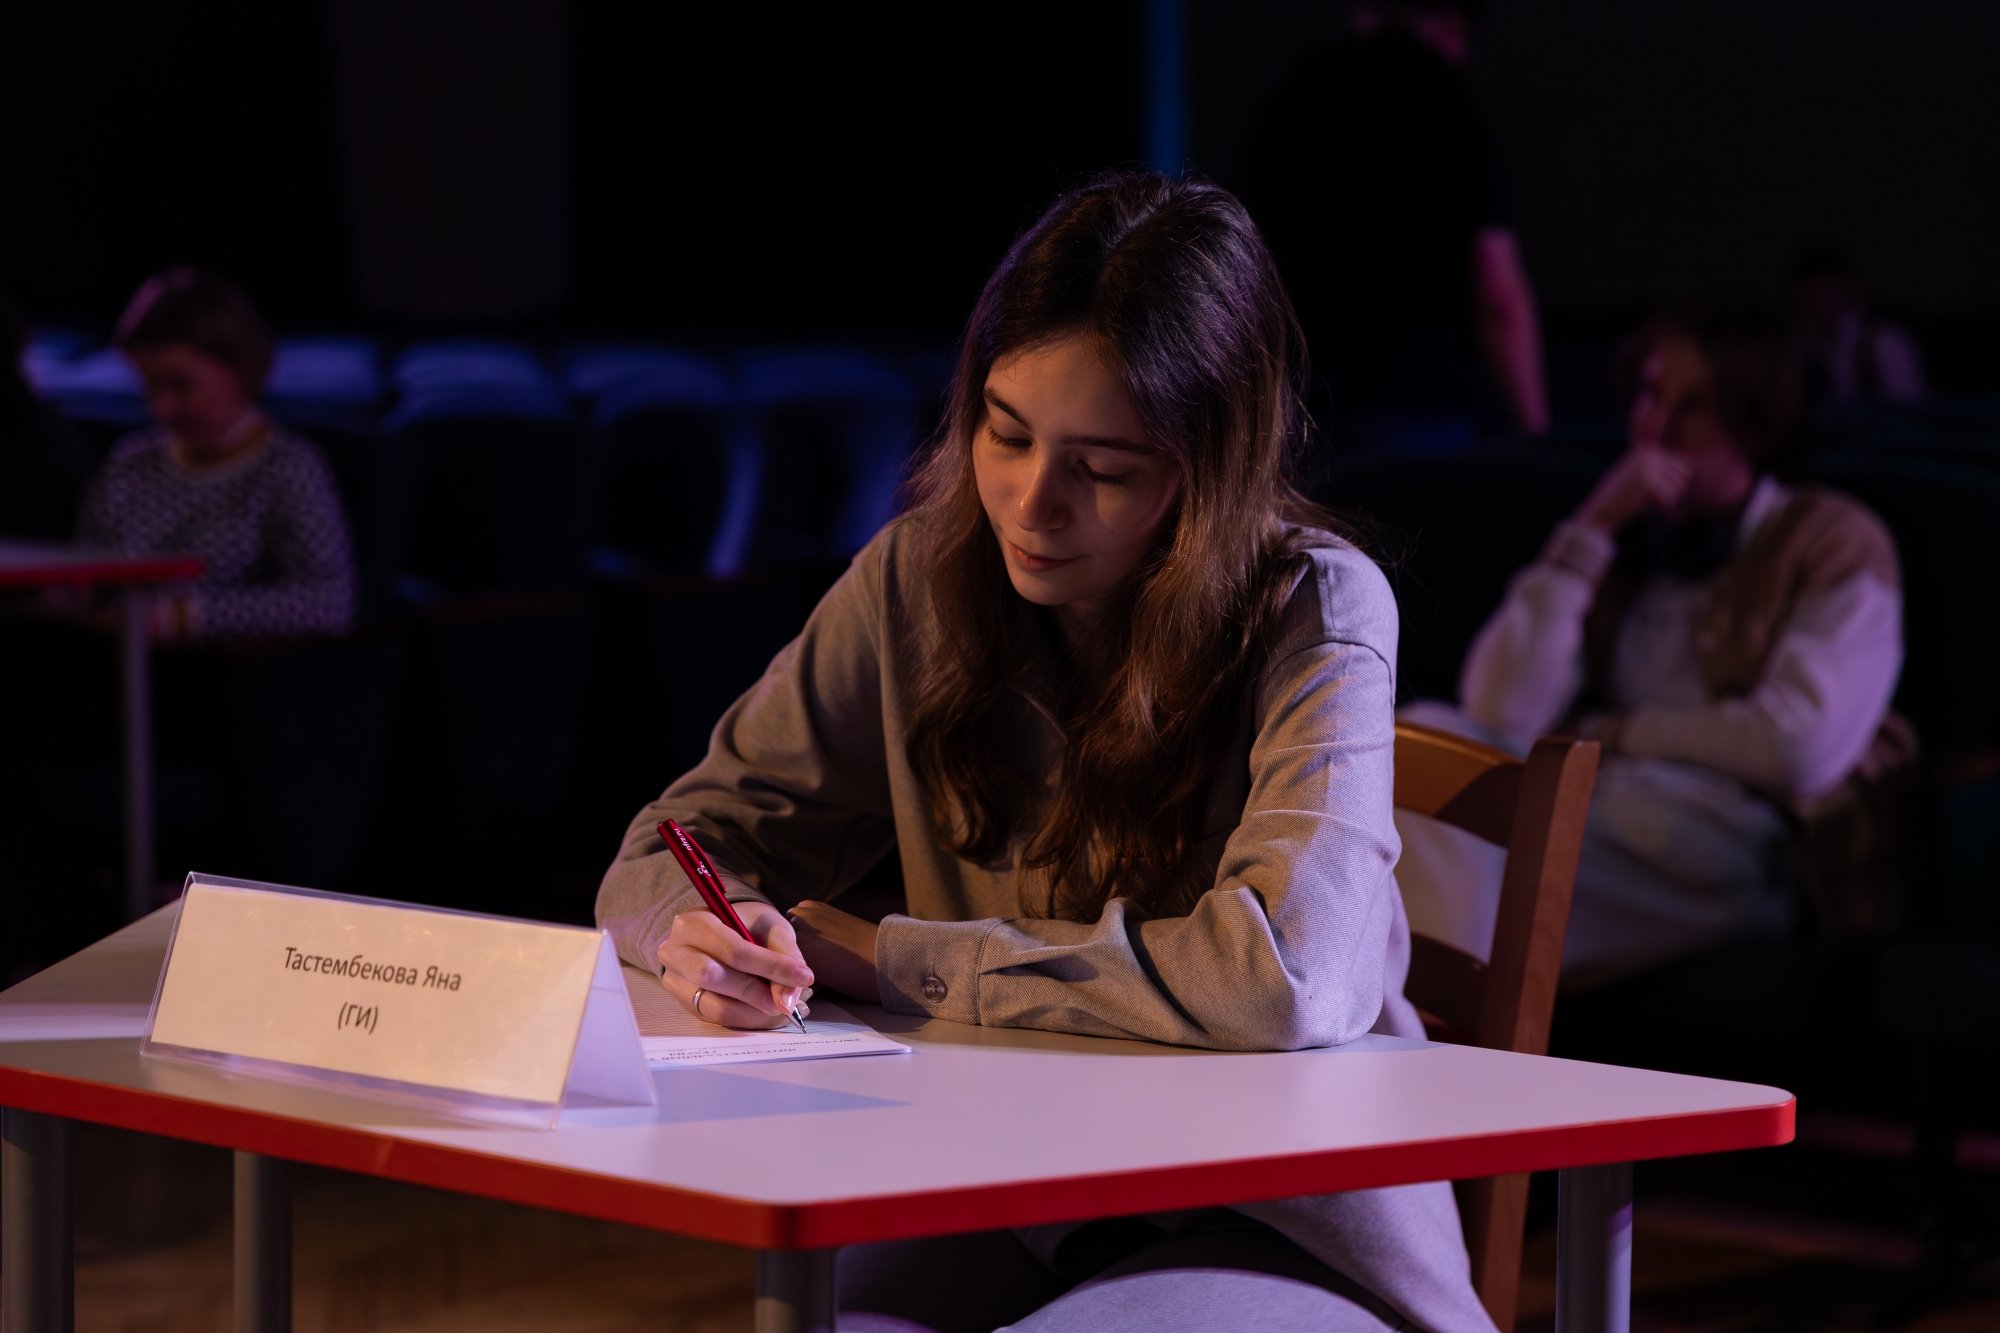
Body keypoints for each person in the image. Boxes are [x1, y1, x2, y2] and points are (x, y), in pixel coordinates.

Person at [598, 172, 1496, 1333]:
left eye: (1104, 469)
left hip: (1274, 1217)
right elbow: (670, 844)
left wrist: (901, 962)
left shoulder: (1313, 607)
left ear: (1207, 469)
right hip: (1009, 1186)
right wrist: (700, 935)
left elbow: (1285, 979)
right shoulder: (914, 580)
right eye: (1005, 433)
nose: (1030, 503)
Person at [1396, 304, 1905, 994]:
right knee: (1414, 743)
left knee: (1475, 843)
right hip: (1603, 797)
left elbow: (1800, 748)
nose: (1654, 428)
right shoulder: (1630, 540)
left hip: (1725, 838)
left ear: (1752, 423)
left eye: (1692, 407)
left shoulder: (1831, 537)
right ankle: (1443, 1015)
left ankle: (1433, 1015)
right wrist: (1593, 527)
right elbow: (1498, 706)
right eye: (1650, 394)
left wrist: (1614, 734)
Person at [1232, 0, 1549, 457]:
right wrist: (1536, 436)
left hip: (1305, 417)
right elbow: (1498, 296)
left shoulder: (1292, 98)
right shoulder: (1449, 104)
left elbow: (1242, 265)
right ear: (1452, 28)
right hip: (1424, 416)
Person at [72, 267, 356, 640]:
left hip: (220, 665)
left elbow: (327, 602)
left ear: (238, 366)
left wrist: (184, 616)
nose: (162, 408)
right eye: (149, 387)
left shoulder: (287, 467)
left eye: (180, 385)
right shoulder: (132, 461)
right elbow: (82, 570)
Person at [1790, 249, 1928, 409]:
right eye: (1809, 296)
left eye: (1823, 293)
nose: (1816, 304)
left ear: (1846, 290)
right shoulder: (1811, 349)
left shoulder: (1883, 342)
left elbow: (1913, 411)